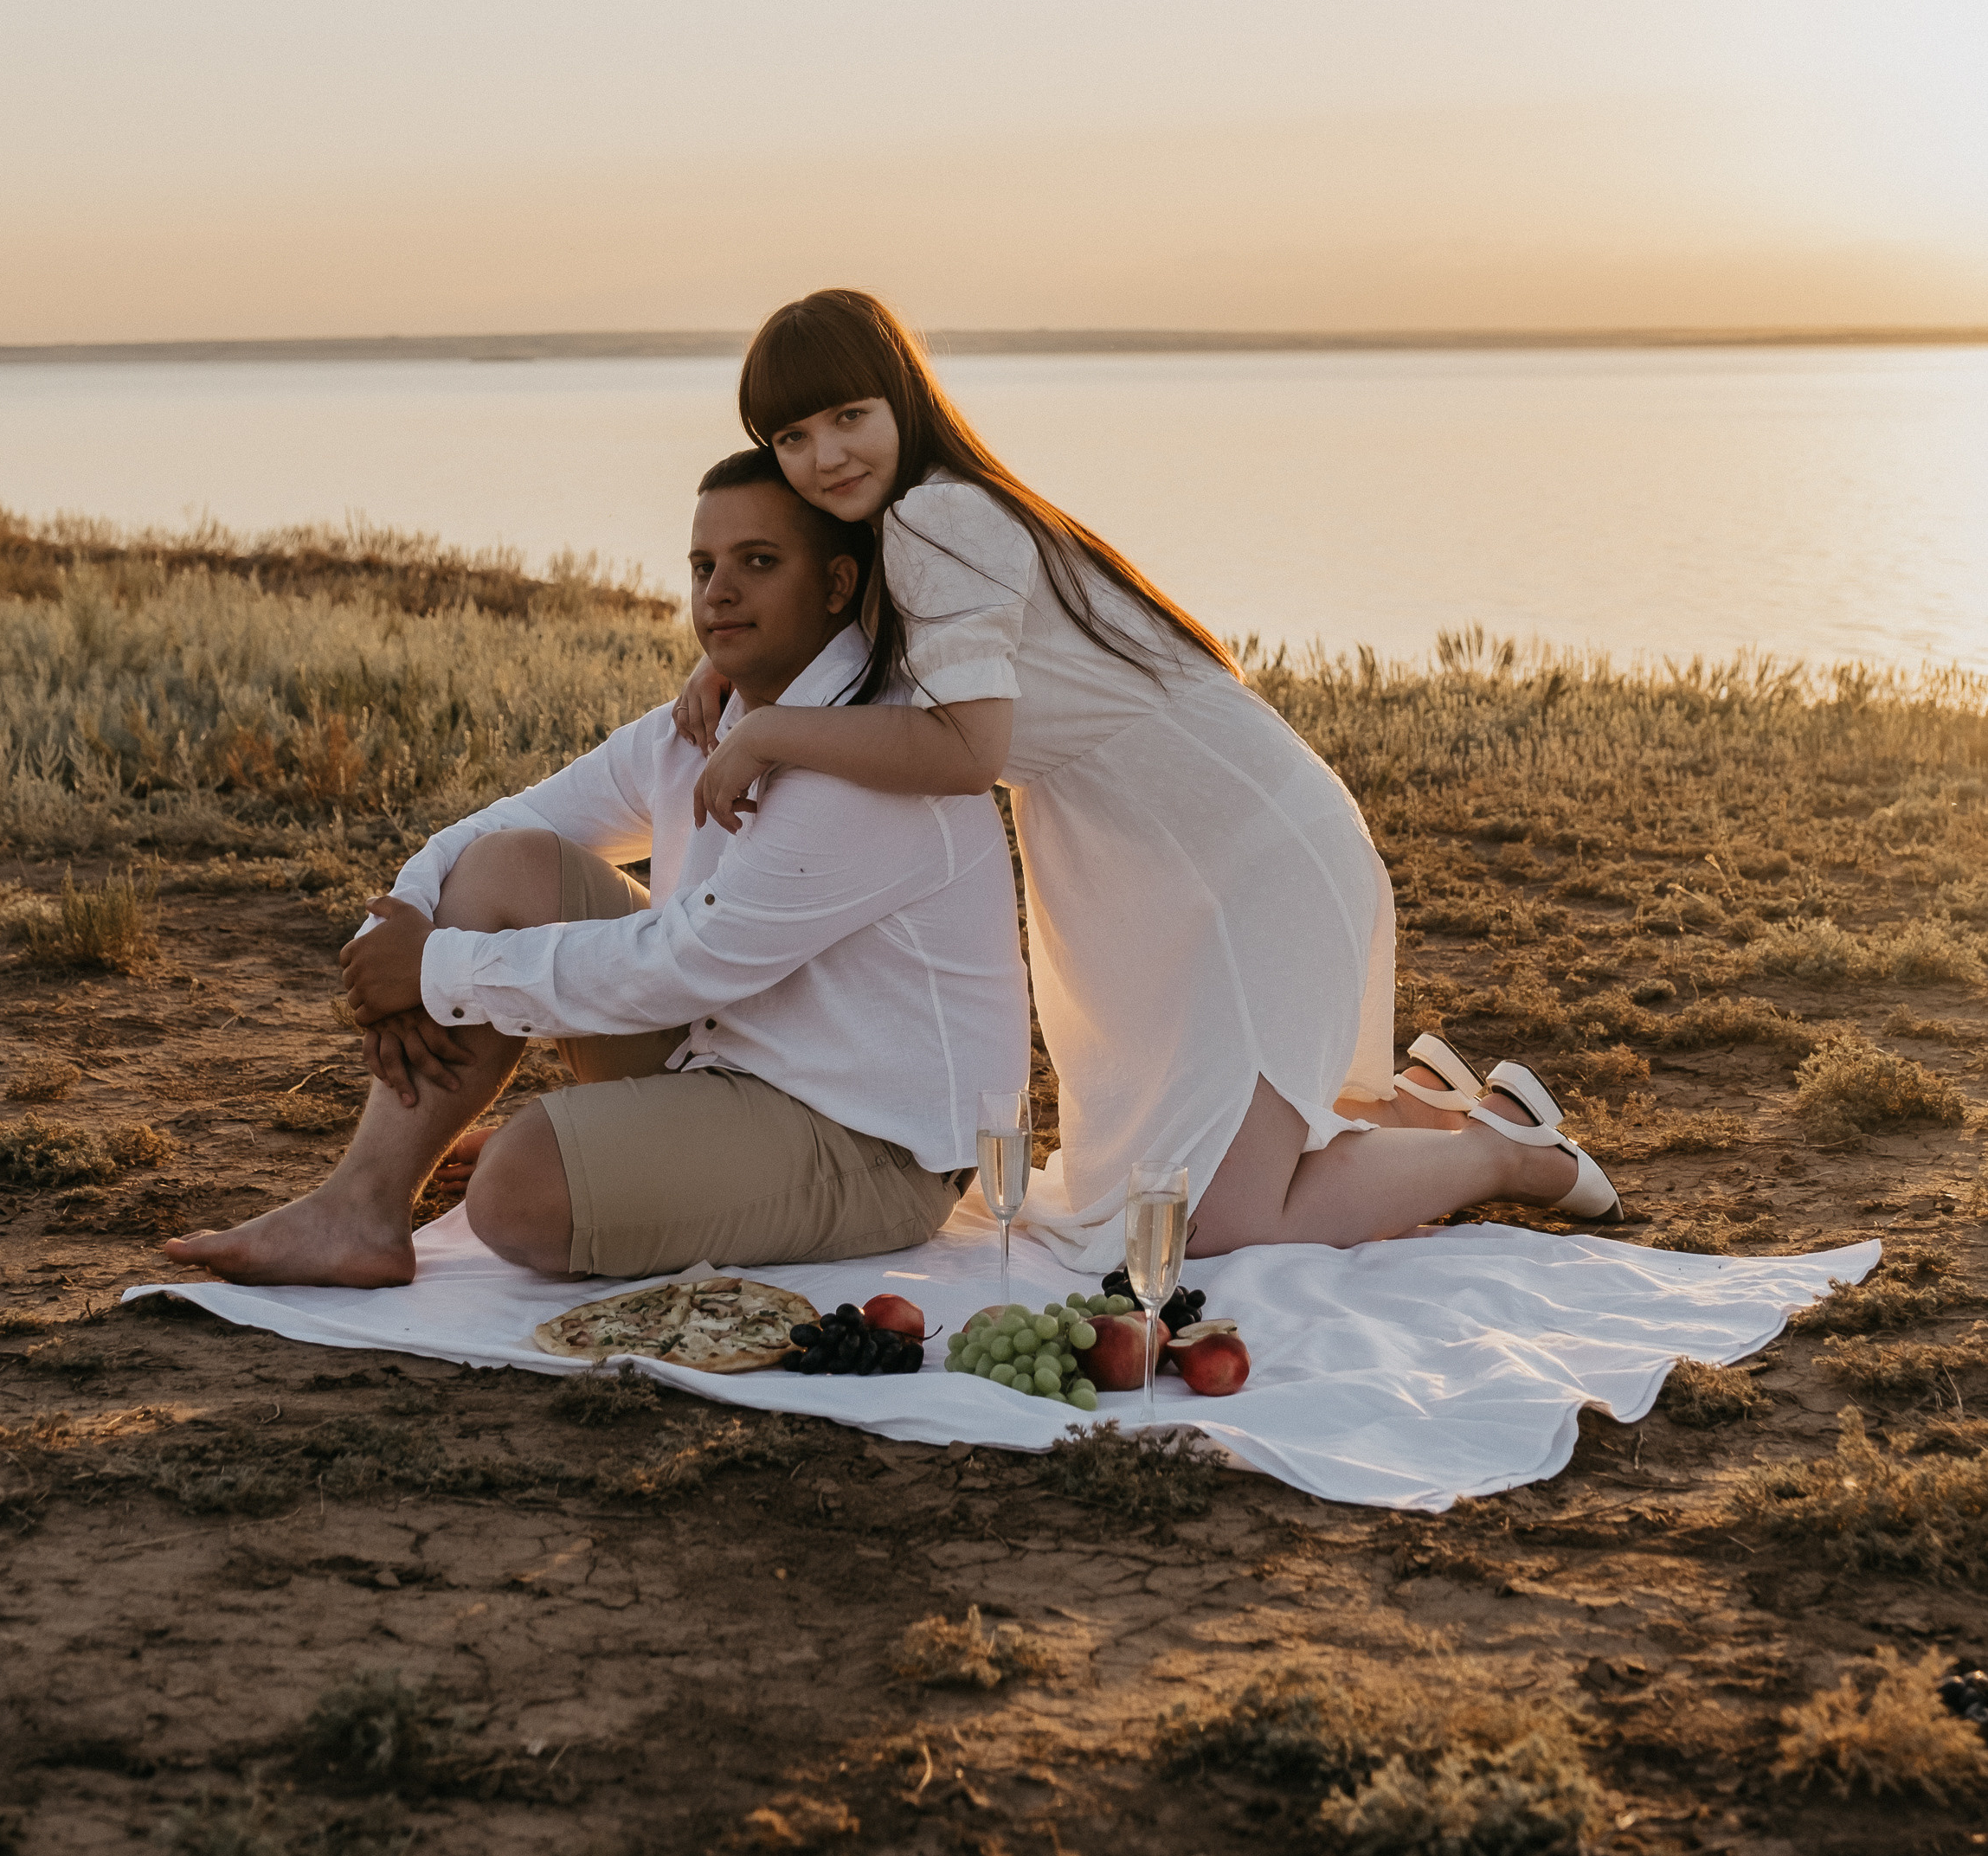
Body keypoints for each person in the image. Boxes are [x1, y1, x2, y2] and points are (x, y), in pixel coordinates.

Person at [674, 290, 1619, 1270]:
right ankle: (1415, 1109)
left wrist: (775, 729)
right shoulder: (913, 523)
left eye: (848, 416)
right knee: (1160, 1194)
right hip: (1174, 855)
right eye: (790, 435)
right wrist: (727, 660)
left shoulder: (938, 518)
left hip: (1236, 854)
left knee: (1208, 1226)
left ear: (904, 398)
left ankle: (1499, 1151)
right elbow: (885, 648)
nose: (824, 455)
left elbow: (965, 753)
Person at [162, 446, 1030, 1290]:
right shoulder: (704, 717)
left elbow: (687, 960)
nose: (716, 592)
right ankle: (361, 1208)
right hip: (719, 1055)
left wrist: (433, 970)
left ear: (838, 585)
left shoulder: (867, 761)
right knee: (504, 867)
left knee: (515, 1191)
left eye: (756, 562)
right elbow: (508, 822)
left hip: (869, 1141)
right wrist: (397, 936)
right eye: (701, 565)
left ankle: (576, 1154)